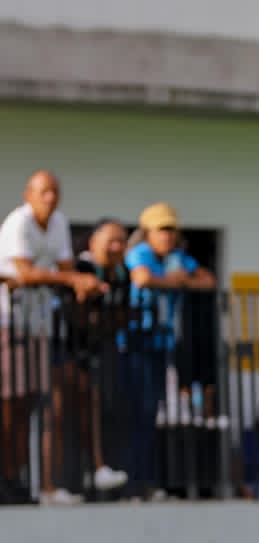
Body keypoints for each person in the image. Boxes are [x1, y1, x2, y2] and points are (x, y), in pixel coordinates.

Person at [0, 170, 105, 505]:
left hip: (39, 324)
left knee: (33, 405)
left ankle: (27, 482)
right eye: (44, 191)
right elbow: (26, 272)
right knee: (10, 405)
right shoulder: (18, 223)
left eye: (55, 191)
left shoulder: (58, 222)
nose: (50, 197)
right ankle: (8, 478)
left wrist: (75, 280)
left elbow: (64, 267)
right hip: (9, 322)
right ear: (28, 194)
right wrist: (71, 279)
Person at [124, 202, 216, 499]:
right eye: (161, 230)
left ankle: (151, 481)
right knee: (137, 412)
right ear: (148, 233)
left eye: (170, 230)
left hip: (163, 346)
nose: (167, 236)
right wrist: (171, 282)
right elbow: (141, 278)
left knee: (156, 413)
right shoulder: (140, 253)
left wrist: (183, 280)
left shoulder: (178, 259)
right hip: (137, 343)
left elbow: (208, 281)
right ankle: (135, 481)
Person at [73, 219, 132, 494]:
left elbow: (121, 315)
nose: (117, 247)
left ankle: (100, 470)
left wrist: (103, 321)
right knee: (78, 411)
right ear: (93, 242)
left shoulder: (121, 274)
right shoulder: (80, 267)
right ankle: (84, 472)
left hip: (103, 349)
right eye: (111, 240)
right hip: (71, 351)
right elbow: (80, 316)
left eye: (122, 241)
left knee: (104, 407)